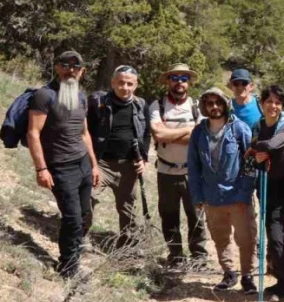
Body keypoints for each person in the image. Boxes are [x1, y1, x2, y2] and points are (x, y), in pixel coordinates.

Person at [26, 50, 101, 279]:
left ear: (82, 71)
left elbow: (85, 132)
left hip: (82, 165)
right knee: (72, 217)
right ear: (57, 67)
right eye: (65, 65)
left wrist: (94, 165)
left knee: (85, 214)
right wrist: (41, 169)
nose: (70, 70)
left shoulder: (80, 95)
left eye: (75, 66)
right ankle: (68, 267)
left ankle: (74, 255)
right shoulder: (44, 95)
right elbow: (33, 133)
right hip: (60, 166)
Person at [189, 87, 258, 293]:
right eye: (210, 103)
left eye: (218, 102)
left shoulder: (239, 129)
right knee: (220, 237)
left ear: (225, 104)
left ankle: (248, 275)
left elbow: (251, 163)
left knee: (246, 238)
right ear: (204, 107)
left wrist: (245, 193)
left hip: (238, 196)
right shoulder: (198, 132)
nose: (215, 107)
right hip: (212, 196)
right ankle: (229, 273)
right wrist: (198, 196)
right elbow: (193, 167)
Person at [247, 85, 284, 302]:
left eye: (278, 103)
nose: (273, 106)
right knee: (273, 232)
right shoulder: (257, 124)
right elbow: (254, 149)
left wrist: (259, 148)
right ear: (261, 104)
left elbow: (273, 143)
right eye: (269, 102)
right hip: (265, 185)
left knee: (276, 231)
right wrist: (257, 154)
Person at [149, 63, 208, 268]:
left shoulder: (197, 105)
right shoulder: (157, 105)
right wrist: (188, 129)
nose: (180, 82)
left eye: (184, 78)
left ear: (189, 82)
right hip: (166, 170)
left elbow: (199, 137)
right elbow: (158, 134)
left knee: (197, 215)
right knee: (169, 215)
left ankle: (199, 256)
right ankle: (175, 256)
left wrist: (170, 134)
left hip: (192, 171)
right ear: (168, 81)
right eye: (175, 78)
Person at [87, 65, 149, 249]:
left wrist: (143, 159)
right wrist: (91, 163)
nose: (125, 87)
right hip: (102, 164)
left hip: (129, 166)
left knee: (128, 209)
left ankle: (126, 247)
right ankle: (80, 237)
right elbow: (86, 132)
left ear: (136, 85)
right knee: (87, 197)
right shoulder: (98, 102)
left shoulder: (141, 104)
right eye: (121, 82)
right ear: (113, 82)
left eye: (130, 84)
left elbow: (146, 134)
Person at [229, 68, 263, 133]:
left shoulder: (261, 104)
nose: (240, 87)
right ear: (231, 86)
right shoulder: (227, 108)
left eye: (244, 83)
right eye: (236, 84)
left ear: (251, 86)